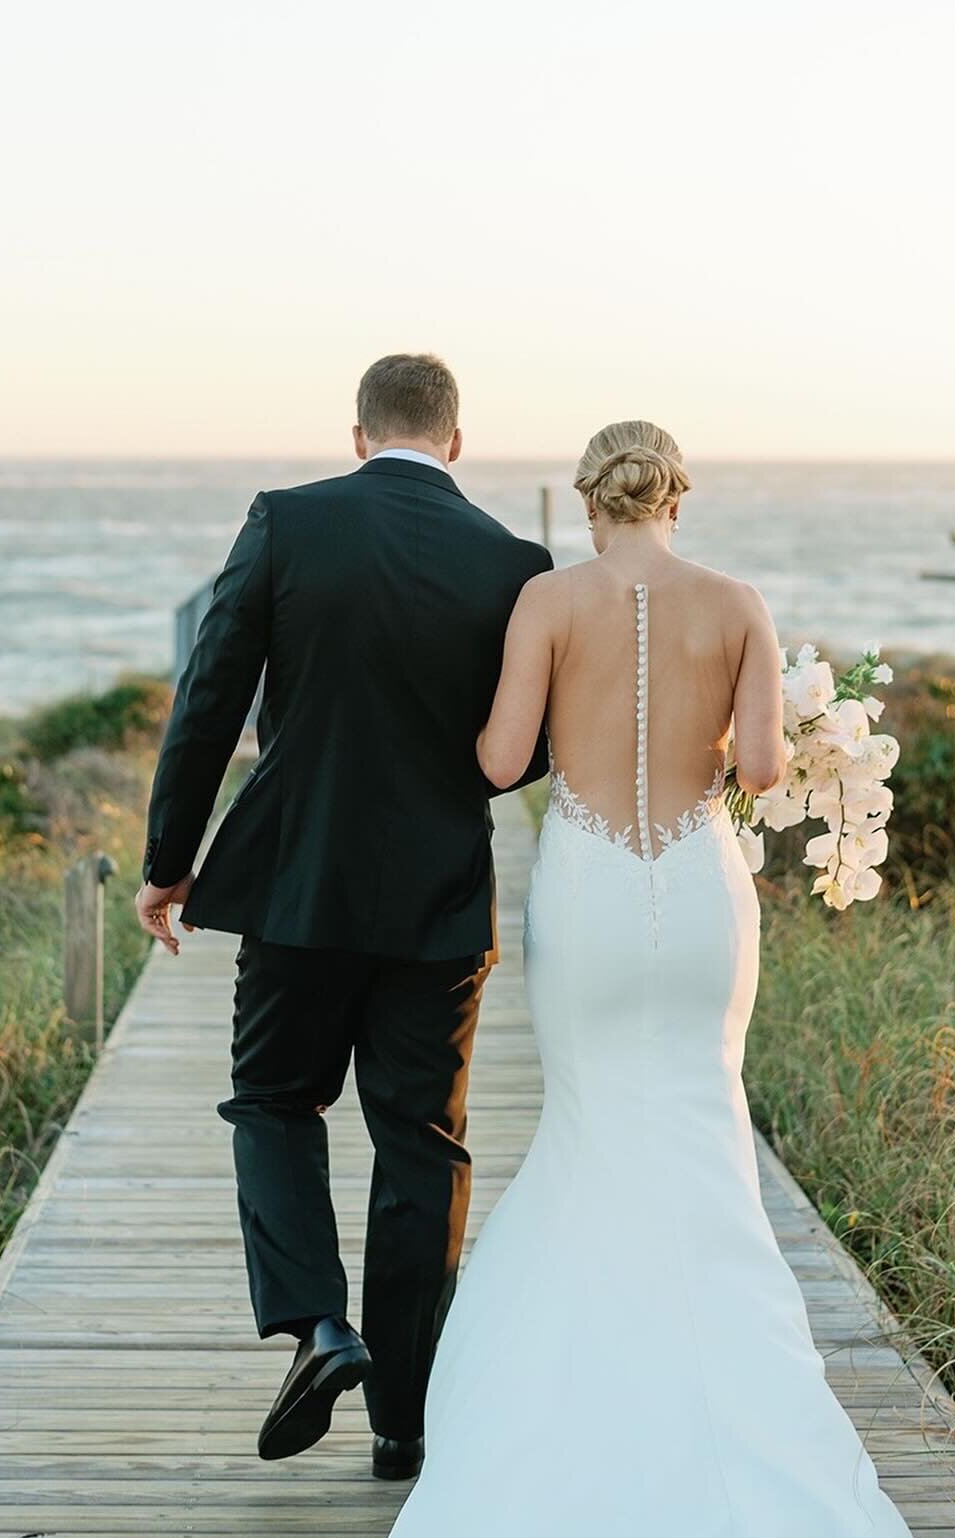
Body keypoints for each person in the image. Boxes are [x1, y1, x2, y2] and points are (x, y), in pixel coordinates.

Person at [288, 421, 955, 1538]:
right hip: (703, 903)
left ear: (595, 500)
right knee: (703, 1147)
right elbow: (769, 775)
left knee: (593, 1134)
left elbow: (499, 765)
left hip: (596, 898)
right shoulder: (739, 603)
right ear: (678, 496)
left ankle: (569, 1456)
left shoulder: (547, 600)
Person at [136, 353, 550, 1481]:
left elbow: (209, 695)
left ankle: (321, 1327)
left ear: (361, 434)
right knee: (421, 1144)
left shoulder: (288, 521)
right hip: (441, 900)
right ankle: (406, 1425)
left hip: (298, 884)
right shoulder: (517, 563)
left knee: (273, 1099)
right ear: (457, 442)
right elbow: (529, 750)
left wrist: (168, 861)